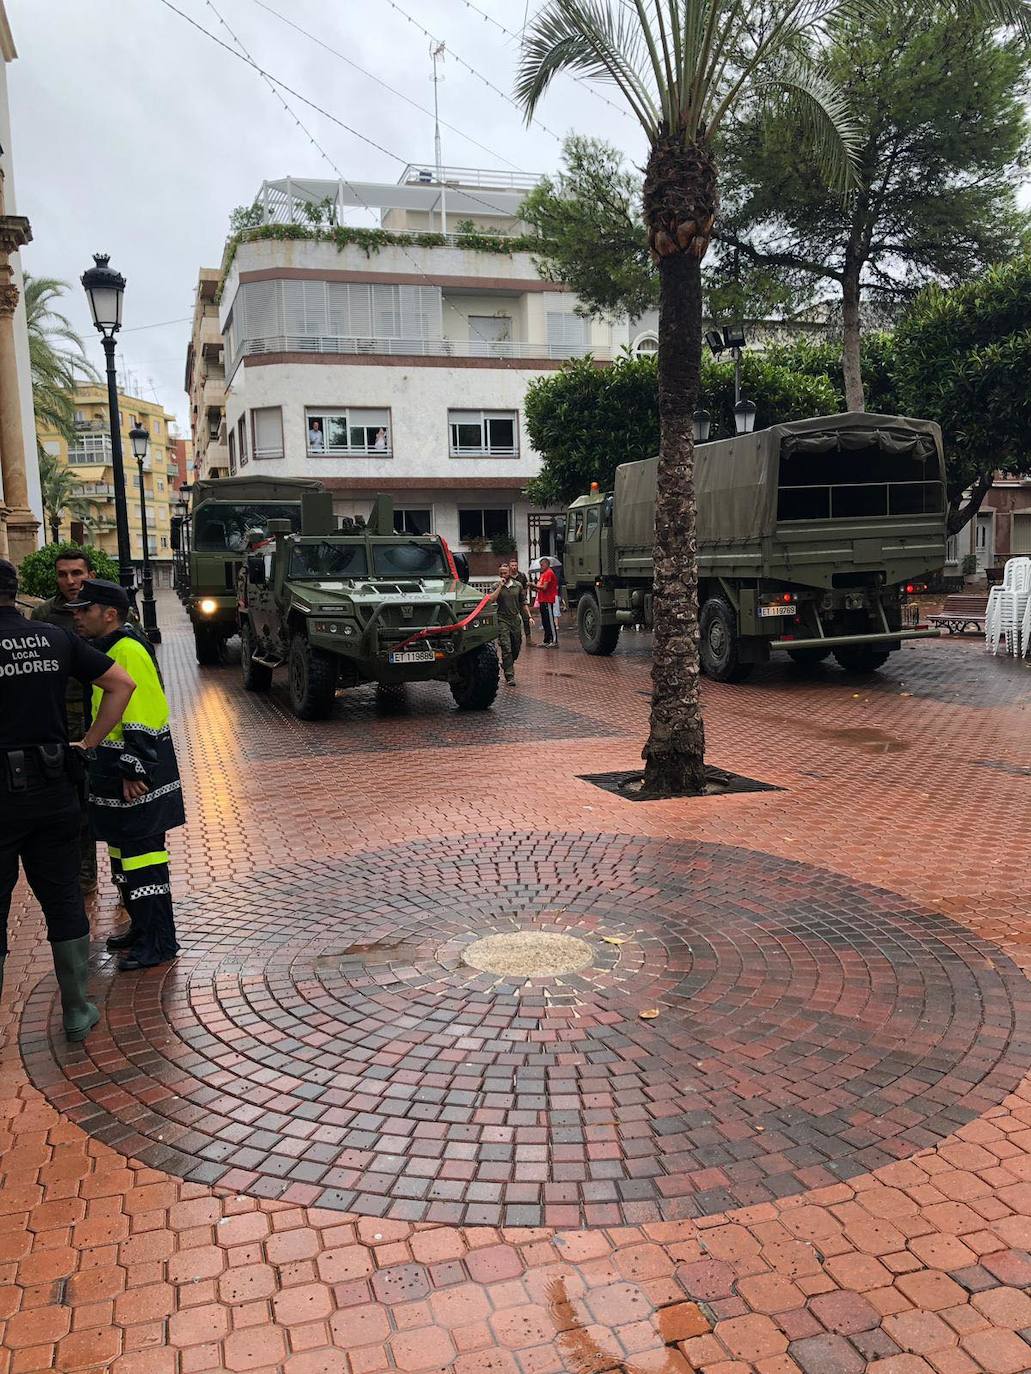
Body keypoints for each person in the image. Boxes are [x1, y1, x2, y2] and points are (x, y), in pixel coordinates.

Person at [0, 558, 135, 1040]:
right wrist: (89, 742)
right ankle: (77, 1010)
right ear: (15, 591)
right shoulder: (53, 638)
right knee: (62, 896)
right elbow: (123, 684)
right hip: (55, 785)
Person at [69, 580, 186, 972]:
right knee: (124, 857)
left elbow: (146, 712)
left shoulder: (128, 651)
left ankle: (160, 940)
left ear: (110, 614)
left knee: (143, 859)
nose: (77, 615)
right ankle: (141, 926)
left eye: (84, 609)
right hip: (116, 778)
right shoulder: (112, 648)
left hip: (135, 780)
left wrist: (136, 767)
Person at [31, 547, 99, 893]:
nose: (70, 581)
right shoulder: (44, 615)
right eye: (63, 574)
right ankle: (84, 873)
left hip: (101, 718)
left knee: (108, 796)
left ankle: (125, 880)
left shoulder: (104, 608)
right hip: (63, 722)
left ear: (90, 573)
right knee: (74, 800)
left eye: (77, 573)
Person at [487, 562, 523, 686]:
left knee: (516, 647)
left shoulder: (518, 585)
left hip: (515, 620)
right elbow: (491, 599)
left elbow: (523, 603)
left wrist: (528, 617)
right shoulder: (496, 586)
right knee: (506, 648)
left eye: (505, 573)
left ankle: (507, 663)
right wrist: (500, 587)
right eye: (501, 573)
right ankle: (510, 675)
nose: (503, 575)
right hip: (502, 620)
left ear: (509, 573)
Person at [536, 556, 560, 647]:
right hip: (542, 599)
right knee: (545, 621)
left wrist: (533, 585)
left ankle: (554, 640)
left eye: (542, 565)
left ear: (546, 564)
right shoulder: (543, 574)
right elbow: (540, 587)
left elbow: (545, 587)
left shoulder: (549, 573)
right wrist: (535, 587)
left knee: (550, 620)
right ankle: (546, 639)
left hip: (548, 600)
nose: (541, 566)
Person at [508, 558, 533, 644]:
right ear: (509, 566)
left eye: (515, 565)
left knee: (526, 619)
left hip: (521, 600)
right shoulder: (508, 577)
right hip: (511, 601)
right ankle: (513, 638)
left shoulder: (522, 575)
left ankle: (528, 638)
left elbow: (526, 586)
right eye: (512, 565)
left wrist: (524, 594)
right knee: (512, 619)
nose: (514, 567)